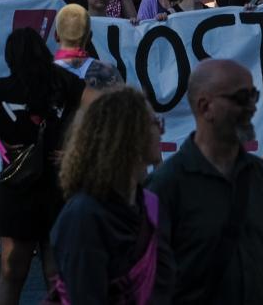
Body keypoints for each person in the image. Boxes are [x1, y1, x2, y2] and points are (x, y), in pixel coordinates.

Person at [0, 27, 88, 304]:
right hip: (59, 187)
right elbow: (103, 106)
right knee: (58, 276)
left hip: (17, 189)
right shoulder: (64, 82)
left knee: (11, 274)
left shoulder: (1, 89)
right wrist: (77, 148)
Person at [148, 58, 263, 305]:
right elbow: (151, 283)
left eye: (253, 95)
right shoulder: (166, 186)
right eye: (241, 98)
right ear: (205, 107)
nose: (252, 107)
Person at [50, 86, 174, 303]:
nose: (161, 131)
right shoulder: (83, 216)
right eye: (155, 123)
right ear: (130, 134)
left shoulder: (150, 204)